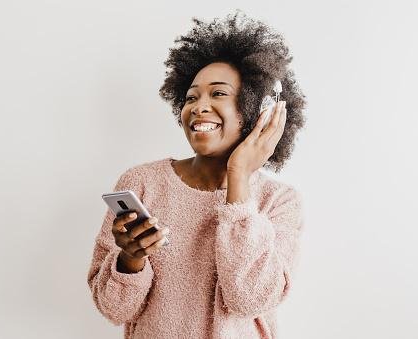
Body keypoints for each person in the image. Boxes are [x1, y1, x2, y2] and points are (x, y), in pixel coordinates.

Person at [87, 10, 307, 338]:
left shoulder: (279, 202)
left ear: (259, 110)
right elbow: (113, 308)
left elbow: (249, 298)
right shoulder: (142, 183)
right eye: (190, 97)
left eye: (218, 93)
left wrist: (239, 176)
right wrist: (130, 259)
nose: (198, 106)